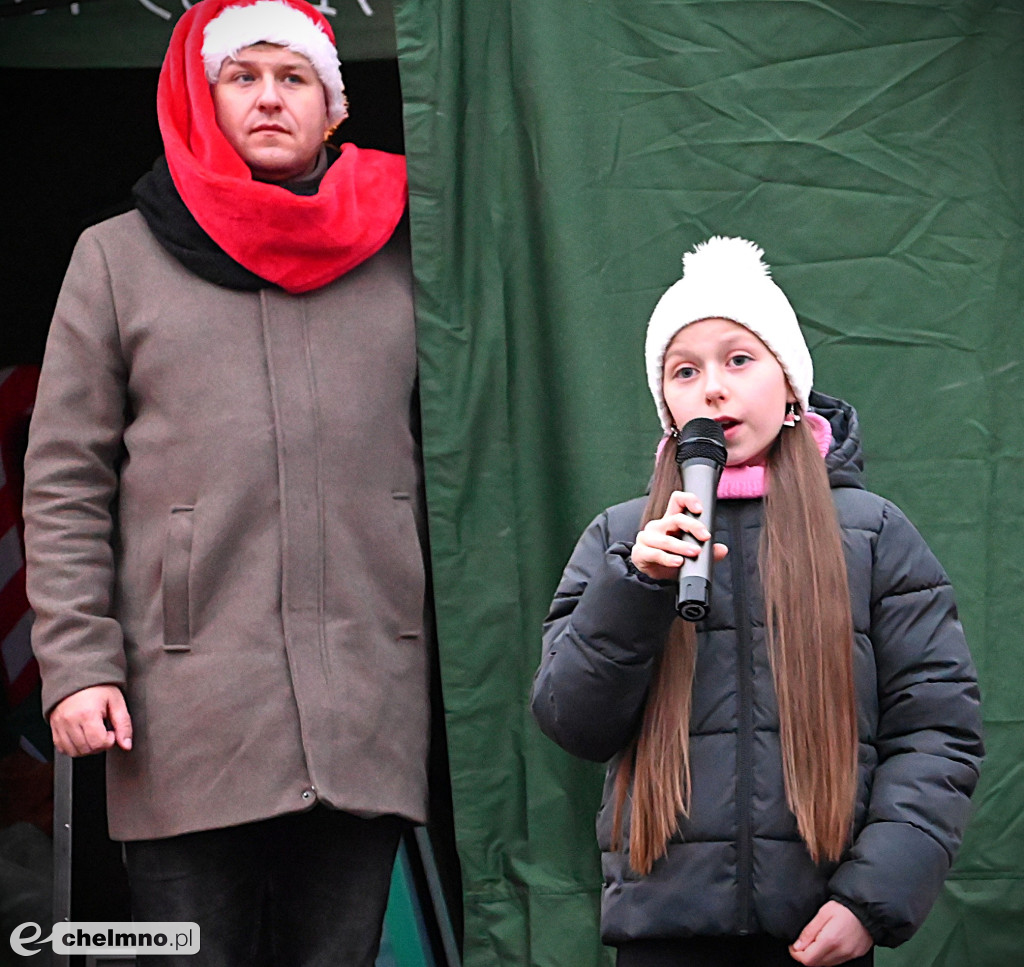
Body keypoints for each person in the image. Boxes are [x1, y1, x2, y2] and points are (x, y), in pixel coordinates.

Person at [23, 2, 429, 964]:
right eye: (242, 77)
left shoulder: (408, 247)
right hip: (185, 718)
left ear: (333, 108)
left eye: (294, 79)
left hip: (367, 703)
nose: (268, 98)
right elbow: (64, 478)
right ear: (206, 100)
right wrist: (78, 664)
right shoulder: (115, 257)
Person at [531, 236, 984, 967]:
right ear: (667, 404)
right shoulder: (620, 538)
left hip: (818, 935)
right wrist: (635, 588)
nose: (713, 388)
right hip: (662, 933)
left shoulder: (872, 534)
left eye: (739, 359)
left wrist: (870, 898)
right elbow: (572, 721)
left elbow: (938, 732)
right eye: (686, 370)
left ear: (791, 383)